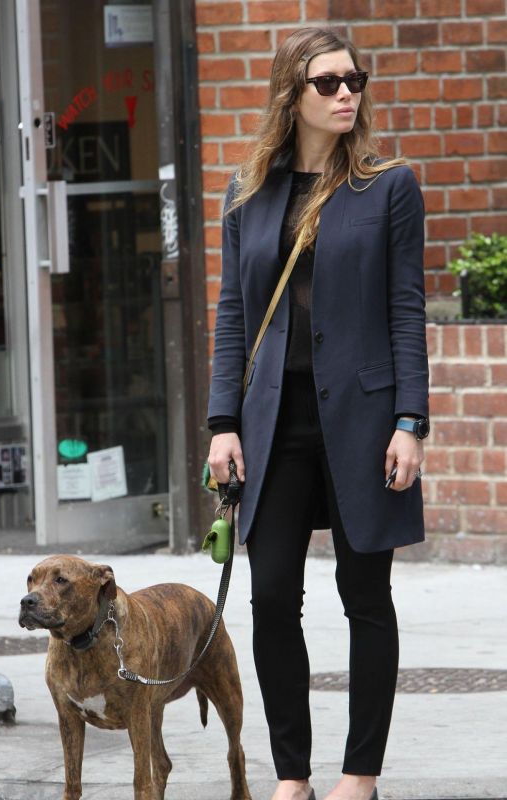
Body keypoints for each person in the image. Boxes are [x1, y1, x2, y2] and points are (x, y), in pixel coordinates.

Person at [207, 26, 429, 800]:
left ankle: (359, 774)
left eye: (354, 80)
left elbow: (406, 309)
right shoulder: (247, 191)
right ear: (290, 95)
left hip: (365, 422)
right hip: (274, 424)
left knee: (364, 598)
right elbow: (233, 314)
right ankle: (292, 775)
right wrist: (220, 424)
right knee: (272, 598)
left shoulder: (388, 185)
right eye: (328, 83)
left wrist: (410, 421)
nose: (346, 94)